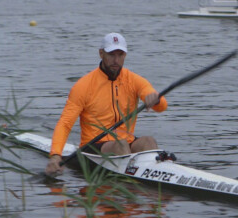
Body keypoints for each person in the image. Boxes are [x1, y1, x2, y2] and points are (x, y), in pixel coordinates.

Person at [45, 32, 168, 175]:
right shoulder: (83, 86)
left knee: (148, 142)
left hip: (124, 141)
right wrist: (55, 155)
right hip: (93, 146)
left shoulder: (134, 80)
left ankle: (154, 175)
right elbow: (65, 123)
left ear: (125, 55)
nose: (116, 60)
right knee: (120, 145)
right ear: (101, 53)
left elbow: (162, 106)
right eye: (111, 55)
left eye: (120, 55)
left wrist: (155, 100)